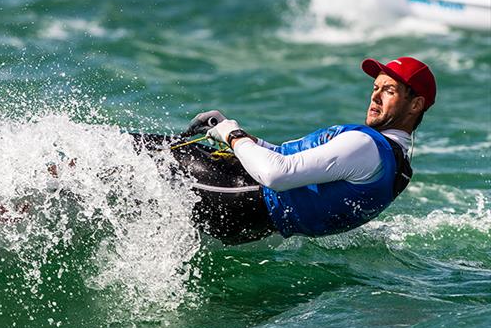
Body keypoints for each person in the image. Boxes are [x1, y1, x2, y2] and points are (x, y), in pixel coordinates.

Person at [133, 56, 436, 245]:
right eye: (375, 88)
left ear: (416, 105)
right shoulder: (397, 166)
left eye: (389, 91)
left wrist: (233, 133)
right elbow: (292, 163)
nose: (376, 97)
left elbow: (277, 173)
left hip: (235, 194)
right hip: (251, 222)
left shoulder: (366, 145)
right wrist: (248, 141)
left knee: (128, 150)